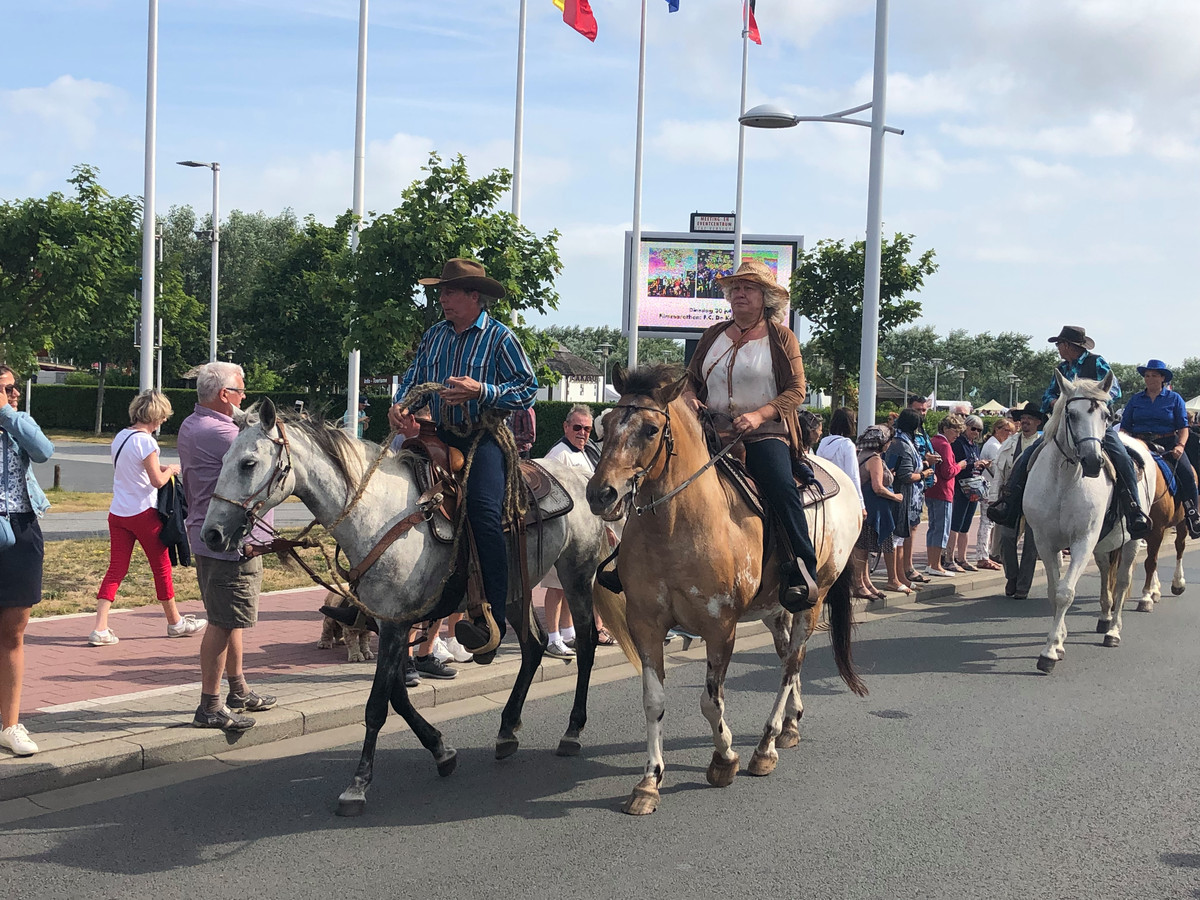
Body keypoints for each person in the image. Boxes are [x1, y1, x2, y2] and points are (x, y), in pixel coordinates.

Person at [389, 258, 538, 665]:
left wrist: (482, 391)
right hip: (439, 434)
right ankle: (387, 600)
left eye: (450, 291)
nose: (442, 298)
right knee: (394, 499)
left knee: (484, 514)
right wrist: (401, 405)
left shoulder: (501, 338)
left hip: (485, 436)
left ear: (475, 297)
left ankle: (491, 616)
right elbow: (414, 378)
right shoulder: (434, 335)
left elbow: (528, 389)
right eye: (441, 291)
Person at [682, 259, 818, 611]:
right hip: (710, 430)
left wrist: (759, 415)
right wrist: (689, 399)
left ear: (765, 297)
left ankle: (801, 569)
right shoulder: (713, 334)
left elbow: (796, 390)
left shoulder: (781, 337)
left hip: (764, 433)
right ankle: (630, 561)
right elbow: (690, 381)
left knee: (780, 487)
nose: (739, 294)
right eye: (735, 288)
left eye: (748, 288)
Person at [178, 361, 278, 731]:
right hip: (231, 542)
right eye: (240, 390)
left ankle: (238, 689)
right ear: (224, 395)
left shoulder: (195, 423)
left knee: (230, 618)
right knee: (221, 622)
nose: (245, 396)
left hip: (212, 537)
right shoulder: (226, 435)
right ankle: (210, 706)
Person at [988, 325, 1150, 538]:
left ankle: (1134, 509)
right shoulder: (1062, 369)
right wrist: (1055, 401)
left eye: (1059, 344)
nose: (1057, 348)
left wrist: (1088, 398)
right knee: (1027, 456)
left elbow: (1114, 390)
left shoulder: (1097, 362)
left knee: (1122, 457)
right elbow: (1047, 396)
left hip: (1094, 423)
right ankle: (1008, 503)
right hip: (1063, 424)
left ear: (1068, 345)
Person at [89, 390, 206, 646]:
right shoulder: (147, 442)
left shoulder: (121, 436)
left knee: (116, 569)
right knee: (161, 568)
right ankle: (175, 622)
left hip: (118, 512)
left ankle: (100, 627)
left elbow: (133, 471)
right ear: (156, 416)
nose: (164, 421)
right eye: (163, 417)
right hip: (143, 513)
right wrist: (172, 470)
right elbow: (156, 481)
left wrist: (161, 470)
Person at [0, 368, 53, 757]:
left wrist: (7, 415)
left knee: (13, 633)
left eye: (14, 387)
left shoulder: (17, 423)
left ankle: (10, 724)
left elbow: (44, 451)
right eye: (6, 388)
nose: (15, 393)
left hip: (22, 529)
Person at [538, 404, 599, 657]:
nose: (582, 433)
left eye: (586, 428)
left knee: (569, 585)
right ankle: (552, 637)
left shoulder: (585, 453)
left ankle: (567, 631)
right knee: (555, 586)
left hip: (581, 533)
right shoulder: (559, 454)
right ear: (566, 427)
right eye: (577, 427)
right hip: (563, 532)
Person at [1119, 359, 1200, 538]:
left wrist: (1180, 446)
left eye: (1154, 375)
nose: (1150, 379)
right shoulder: (1135, 399)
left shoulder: (1174, 398)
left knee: (1188, 474)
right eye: (1147, 375)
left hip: (1168, 443)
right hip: (1139, 443)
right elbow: (1124, 426)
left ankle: (1193, 515)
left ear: (1163, 378)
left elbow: (1183, 427)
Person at [990, 403, 1045, 599]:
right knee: (1006, 538)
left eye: (1030, 418)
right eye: (1023, 417)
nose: (1025, 421)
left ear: (1038, 422)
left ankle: (1023, 585)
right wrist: (994, 498)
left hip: (1036, 499)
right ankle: (1012, 577)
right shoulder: (1009, 443)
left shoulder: (1044, 445)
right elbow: (999, 472)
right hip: (1012, 497)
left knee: (1031, 544)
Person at [887, 408, 936, 590]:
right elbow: (906, 475)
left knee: (900, 538)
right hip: (902, 496)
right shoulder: (903, 444)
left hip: (906, 496)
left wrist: (922, 464)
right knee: (896, 538)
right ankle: (894, 578)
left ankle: (900, 576)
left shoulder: (901, 441)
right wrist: (925, 473)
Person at [856, 425, 906, 597]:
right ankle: (892, 580)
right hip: (876, 506)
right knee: (884, 543)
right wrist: (896, 496)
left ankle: (864, 581)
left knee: (863, 544)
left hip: (866, 503)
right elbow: (877, 487)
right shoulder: (875, 459)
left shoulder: (861, 455)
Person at [925, 414, 967, 577]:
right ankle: (936, 565)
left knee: (933, 527)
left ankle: (931, 563)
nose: (957, 435)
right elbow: (948, 471)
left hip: (931, 490)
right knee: (941, 529)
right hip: (943, 492)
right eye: (955, 431)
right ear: (946, 429)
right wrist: (960, 466)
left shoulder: (933, 441)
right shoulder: (945, 445)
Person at [946, 414, 986, 572]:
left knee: (966, 525)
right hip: (961, 486)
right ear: (966, 427)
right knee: (955, 523)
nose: (975, 432)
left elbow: (973, 465)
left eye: (979, 430)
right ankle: (949, 557)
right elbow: (958, 465)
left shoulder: (975, 446)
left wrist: (980, 465)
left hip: (973, 487)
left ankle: (962, 557)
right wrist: (973, 464)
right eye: (973, 428)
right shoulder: (959, 444)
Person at [974, 417, 1015, 570]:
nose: (1008, 434)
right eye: (1006, 430)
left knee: (989, 522)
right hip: (988, 488)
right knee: (987, 522)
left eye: (1011, 431)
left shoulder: (995, 444)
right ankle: (983, 556)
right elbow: (997, 469)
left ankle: (986, 553)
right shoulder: (993, 446)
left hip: (990, 487)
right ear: (997, 429)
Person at [815, 407, 865, 514]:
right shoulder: (848, 445)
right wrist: (861, 504)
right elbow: (853, 476)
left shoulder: (823, 442)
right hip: (844, 496)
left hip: (827, 494)